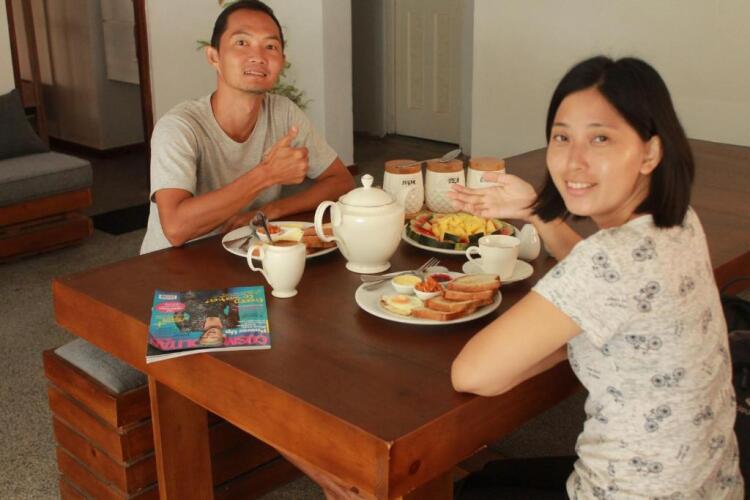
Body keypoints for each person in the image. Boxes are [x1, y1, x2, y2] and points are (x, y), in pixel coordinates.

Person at [449, 56, 743, 499]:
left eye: (601, 138)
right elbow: (601, 279)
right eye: (562, 137)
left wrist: (566, 337)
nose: (574, 162)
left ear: (650, 152)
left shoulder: (609, 260)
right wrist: (535, 211)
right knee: (488, 478)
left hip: (632, 491)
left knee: (471, 492)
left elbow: (473, 374)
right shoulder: (679, 220)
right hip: (708, 484)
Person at [140, 0, 354, 254]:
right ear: (214, 57)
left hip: (246, 253)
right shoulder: (178, 127)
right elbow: (175, 228)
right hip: (174, 264)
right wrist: (267, 174)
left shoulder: (283, 112)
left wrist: (270, 210)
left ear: (282, 61)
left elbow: (341, 181)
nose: (258, 57)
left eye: (270, 46)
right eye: (241, 42)